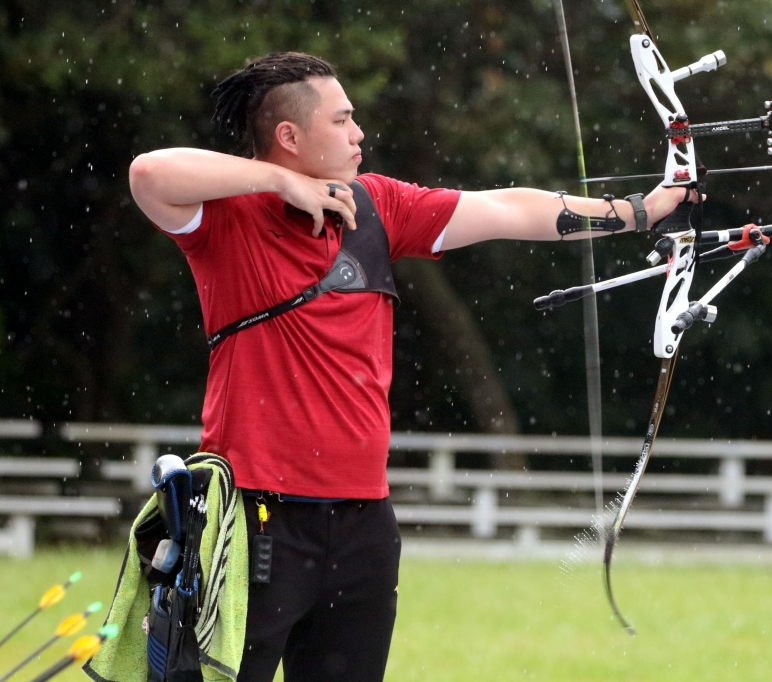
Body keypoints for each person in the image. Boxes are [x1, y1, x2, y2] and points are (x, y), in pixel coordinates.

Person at [128, 51, 693, 682]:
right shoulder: (227, 218)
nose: (357, 133)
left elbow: (508, 209)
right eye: (341, 120)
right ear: (288, 135)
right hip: (255, 520)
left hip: (363, 526)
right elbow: (149, 173)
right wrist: (281, 183)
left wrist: (640, 212)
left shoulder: (377, 205)